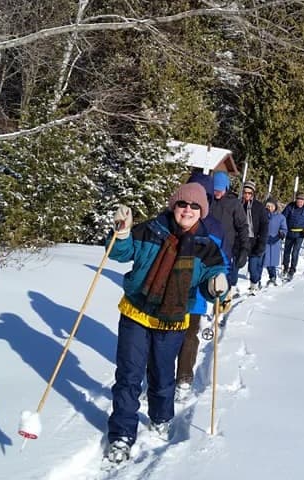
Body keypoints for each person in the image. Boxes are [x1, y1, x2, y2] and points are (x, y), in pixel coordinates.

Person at [104, 183, 228, 464]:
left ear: (202, 212)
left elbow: (216, 274)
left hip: (172, 321)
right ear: (174, 206)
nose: (187, 210)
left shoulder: (205, 245)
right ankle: (122, 434)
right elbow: (119, 253)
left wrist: (217, 283)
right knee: (128, 376)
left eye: (194, 206)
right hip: (136, 312)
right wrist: (122, 233)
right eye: (183, 204)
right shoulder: (151, 229)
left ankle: (161, 417)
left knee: (161, 376)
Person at [175, 171, 229, 402]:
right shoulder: (174, 219)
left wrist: (220, 281)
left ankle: (184, 378)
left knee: (188, 334)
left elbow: (220, 261)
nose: (190, 205)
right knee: (167, 336)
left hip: (195, 293)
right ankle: (165, 377)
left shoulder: (214, 227)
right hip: (168, 291)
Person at [208, 171, 248, 297]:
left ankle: (223, 301)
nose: (217, 192)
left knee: (223, 280)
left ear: (226, 187)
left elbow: (242, 227)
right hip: (208, 247)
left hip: (226, 248)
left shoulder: (234, 203)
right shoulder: (209, 200)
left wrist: (244, 249)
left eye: (220, 189)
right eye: (215, 189)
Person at [238, 180, 268, 293]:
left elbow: (265, 225)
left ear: (253, 194)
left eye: (249, 193)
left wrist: (262, 241)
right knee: (238, 263)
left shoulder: (259, 207)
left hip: (255, 240)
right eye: (245, 192)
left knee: (252, 266)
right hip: (242, 239)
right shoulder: (239, 205)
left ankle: (254, 283)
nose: (247, 195)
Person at [280, 192, 304, 280]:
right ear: (296, 200)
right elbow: (283, 217)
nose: (300, 202)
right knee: (286, 252)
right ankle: (285, 268)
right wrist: (281, 228)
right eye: (298, 200)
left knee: (295, 252)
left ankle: (292, 269)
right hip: (289, 232)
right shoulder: (290, 207)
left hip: (300, 234)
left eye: (301, 201)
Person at [263, 199, 288, 285]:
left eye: (271, 206)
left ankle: (272, 277)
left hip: (274, 241)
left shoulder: (280, 217)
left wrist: (281, 233)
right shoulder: (262, 215)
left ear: (275, 207)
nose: (269, 208)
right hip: (263, 241)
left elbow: (284, 228)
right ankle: (256, 280)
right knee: (262, 260)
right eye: (267, 206)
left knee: (271, 261)